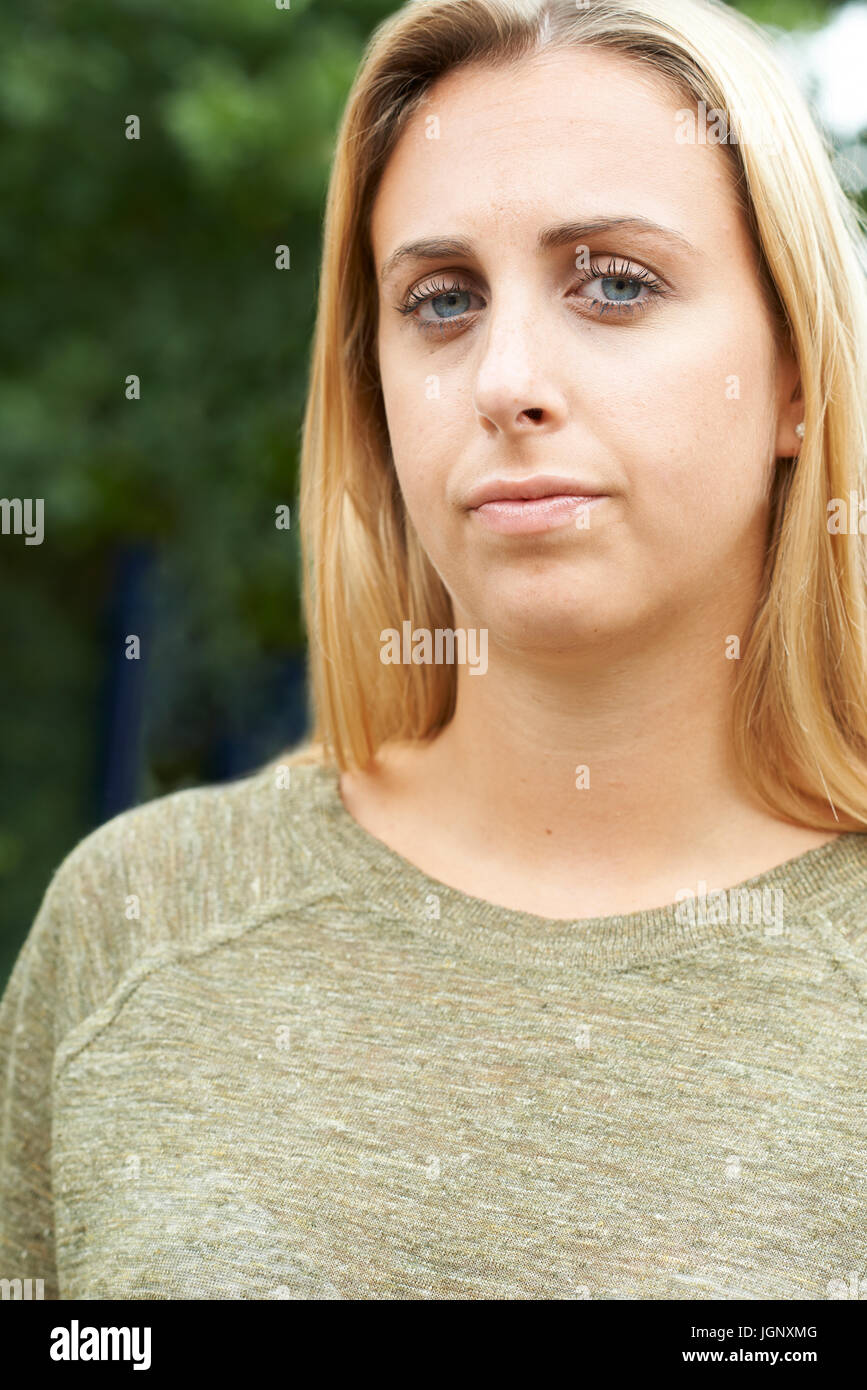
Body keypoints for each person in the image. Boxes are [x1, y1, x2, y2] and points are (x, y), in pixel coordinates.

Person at [2, 0, 867, 1300]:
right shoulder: (141, 922)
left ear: (797, 374)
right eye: (442, 299)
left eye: (615, 283)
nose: (504, 377)